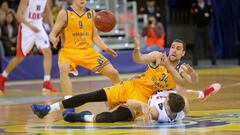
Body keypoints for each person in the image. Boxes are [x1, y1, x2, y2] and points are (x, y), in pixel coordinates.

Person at [31, 36, 220, 122]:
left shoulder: (179, 69)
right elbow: (138, 59)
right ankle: (48, 109)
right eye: (173, 47)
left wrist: (194, 79)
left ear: (184, 53)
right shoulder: (156, 55)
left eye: (179, 49)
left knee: (117, 116)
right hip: (130, 86)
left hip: (142, 100)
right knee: (91, 95)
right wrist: (137, 48)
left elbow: (184, 83)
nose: (174, 50)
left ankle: (83, 117)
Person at [48, 0, 121, 105]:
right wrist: (54, 39)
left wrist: (105, 48)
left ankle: (118, 100)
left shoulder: (92, 13)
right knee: (64, 69)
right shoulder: (64, 13)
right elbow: (52, 33)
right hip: (69, 51)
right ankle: (69, 104)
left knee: (114, 74)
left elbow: (95, 36)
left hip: (87, 51)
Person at [0, 0, 56, 95]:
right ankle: (3, 76)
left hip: (38, 27)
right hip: (26, 28)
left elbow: (48, 12)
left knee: (48, 52)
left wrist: (53, 28)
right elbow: (18, 15)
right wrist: (30, 26)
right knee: (19, 57)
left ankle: (46, 82)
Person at [191, 0, 216, 66]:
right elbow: (192, 16)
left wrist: (208, 24)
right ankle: (195, 63)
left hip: (206, 28)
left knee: (209, 45)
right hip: (198, 28)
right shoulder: (194, 7)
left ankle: (214, 62)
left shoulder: (208, 6)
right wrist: (195, 25)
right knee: (197, 46)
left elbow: (210, 15)